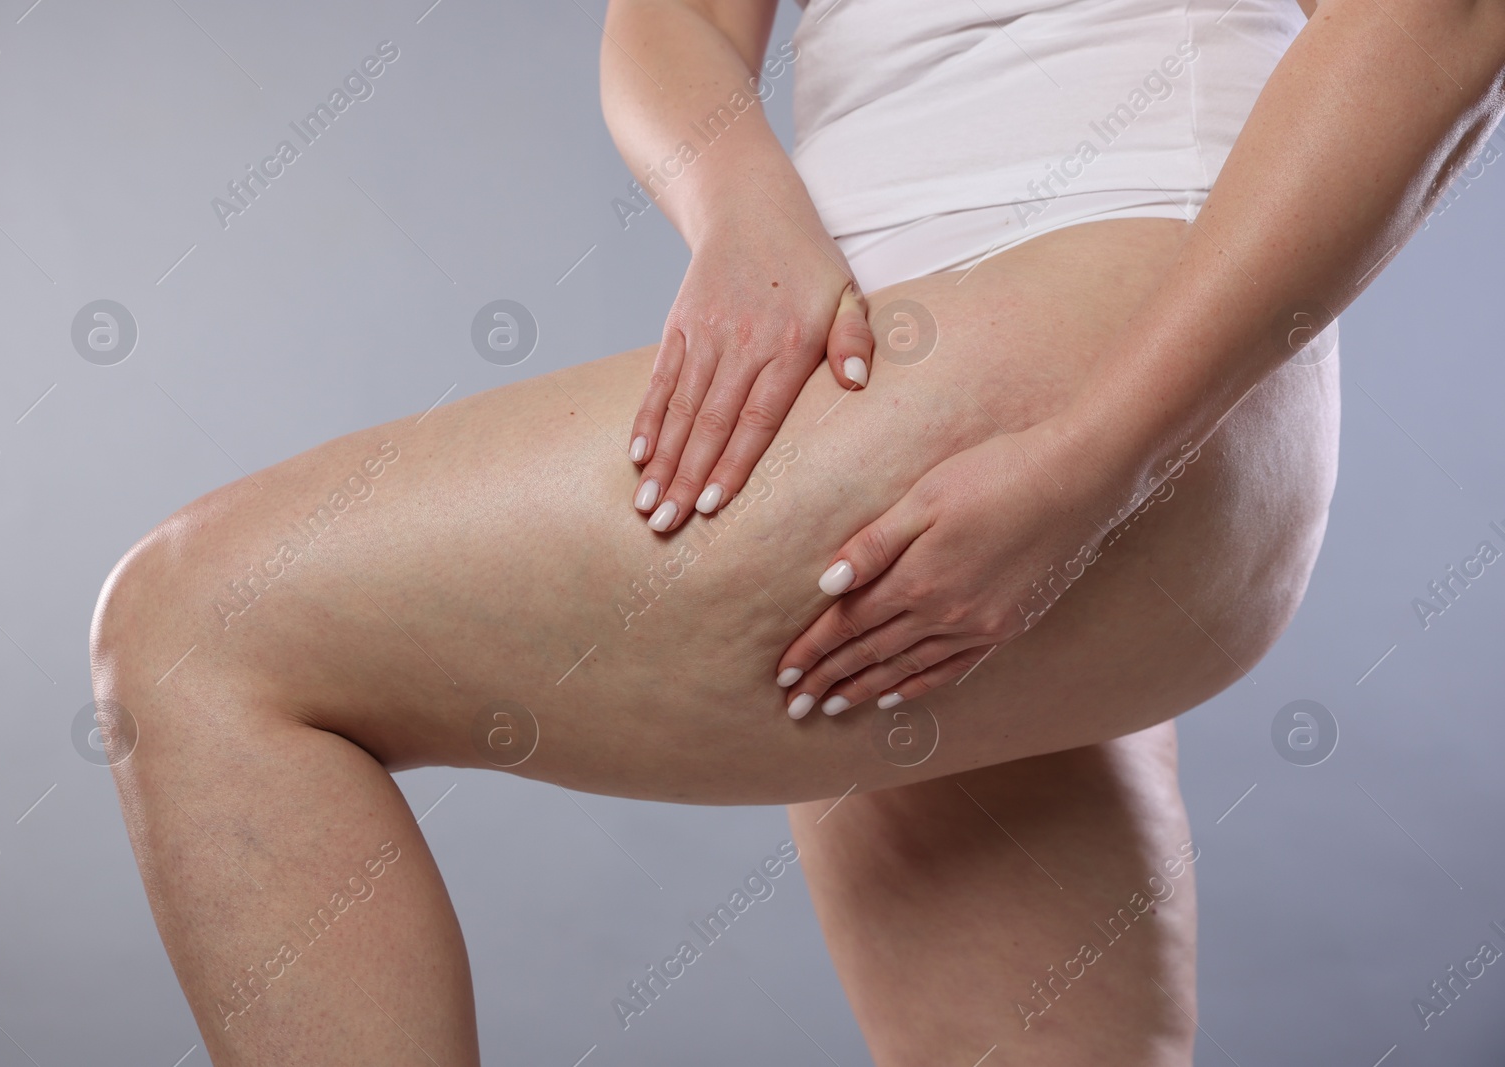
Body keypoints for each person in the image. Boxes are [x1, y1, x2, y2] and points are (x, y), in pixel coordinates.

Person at [87, 0, 1505, 1062]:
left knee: (199, 631)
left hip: (1067, 364)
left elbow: (1440, 26)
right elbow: (680, 21)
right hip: (952, 396)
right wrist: (741, 202)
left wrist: (1102, 458)